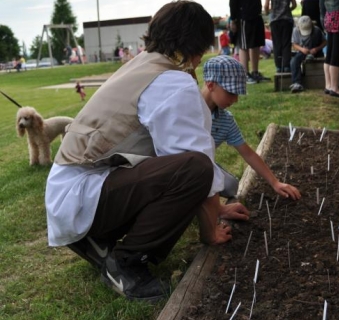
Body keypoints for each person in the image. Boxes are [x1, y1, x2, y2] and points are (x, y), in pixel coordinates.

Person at [45, 0, 250, 303]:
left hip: (72, 189)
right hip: (84, 192)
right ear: (198, 45)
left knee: (188, 168)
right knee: (195, 169)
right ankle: (126, 263)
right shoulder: (170, 81)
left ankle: (97, 238)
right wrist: (209, 231)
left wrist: (217, 208)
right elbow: (195, 165)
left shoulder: (145, 63)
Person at [201, 55, 301, 200]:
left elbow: (248, 154)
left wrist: (275, 183)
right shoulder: (187, 109)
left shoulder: (226, 120)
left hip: (203, 165)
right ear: (211, 85)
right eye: (231, 93)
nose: (235, 100)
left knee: (230, 186)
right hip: (179, 164)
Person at [230, 0, 270, 84]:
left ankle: (255, 72)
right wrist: (233, 19)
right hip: (244, 17)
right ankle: (245, 74)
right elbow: (233, 2)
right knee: (244, 45)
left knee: (256, 44)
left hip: (256, 15)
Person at [290, 15, 326, 93]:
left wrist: (317, 49)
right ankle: (297, 83)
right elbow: (294, 44)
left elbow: (325, 42)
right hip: (303, 51)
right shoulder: (295, 31)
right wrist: (302, 49)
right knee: (294, 61)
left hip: (316, 51)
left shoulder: (317, 30)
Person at [264, 0, 297, 73]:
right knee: (286, 43)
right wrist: (287, 9)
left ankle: (279, 66)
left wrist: (268, 12)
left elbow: (266, 6)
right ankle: (286, 66)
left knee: (277, 44)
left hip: (275, 20)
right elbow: (294, 5)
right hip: (287, 19)